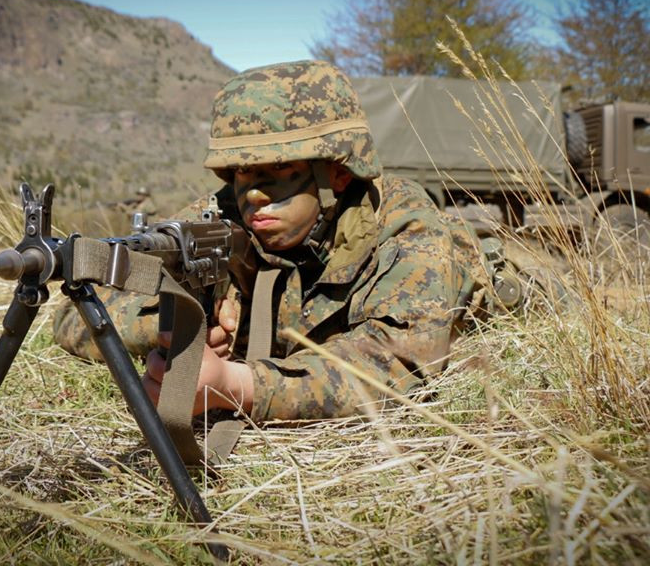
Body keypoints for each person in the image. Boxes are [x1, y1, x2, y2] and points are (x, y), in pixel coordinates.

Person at [53, 59, 496, 423]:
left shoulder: (400, 223)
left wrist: (234, 386)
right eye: (244, 173)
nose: (255, 194)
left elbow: (396, 363)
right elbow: (76, 312)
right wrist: (183, 322)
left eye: (280, 173)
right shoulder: (215, 220)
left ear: (337, 174)